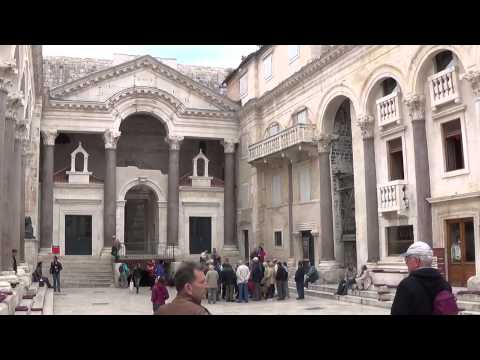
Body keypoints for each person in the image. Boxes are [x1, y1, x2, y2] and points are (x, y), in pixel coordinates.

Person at [391, 241, 459, 315]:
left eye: (407, 260)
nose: (406, 263)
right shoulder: (445, 284)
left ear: (417, 261)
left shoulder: (406, 285)